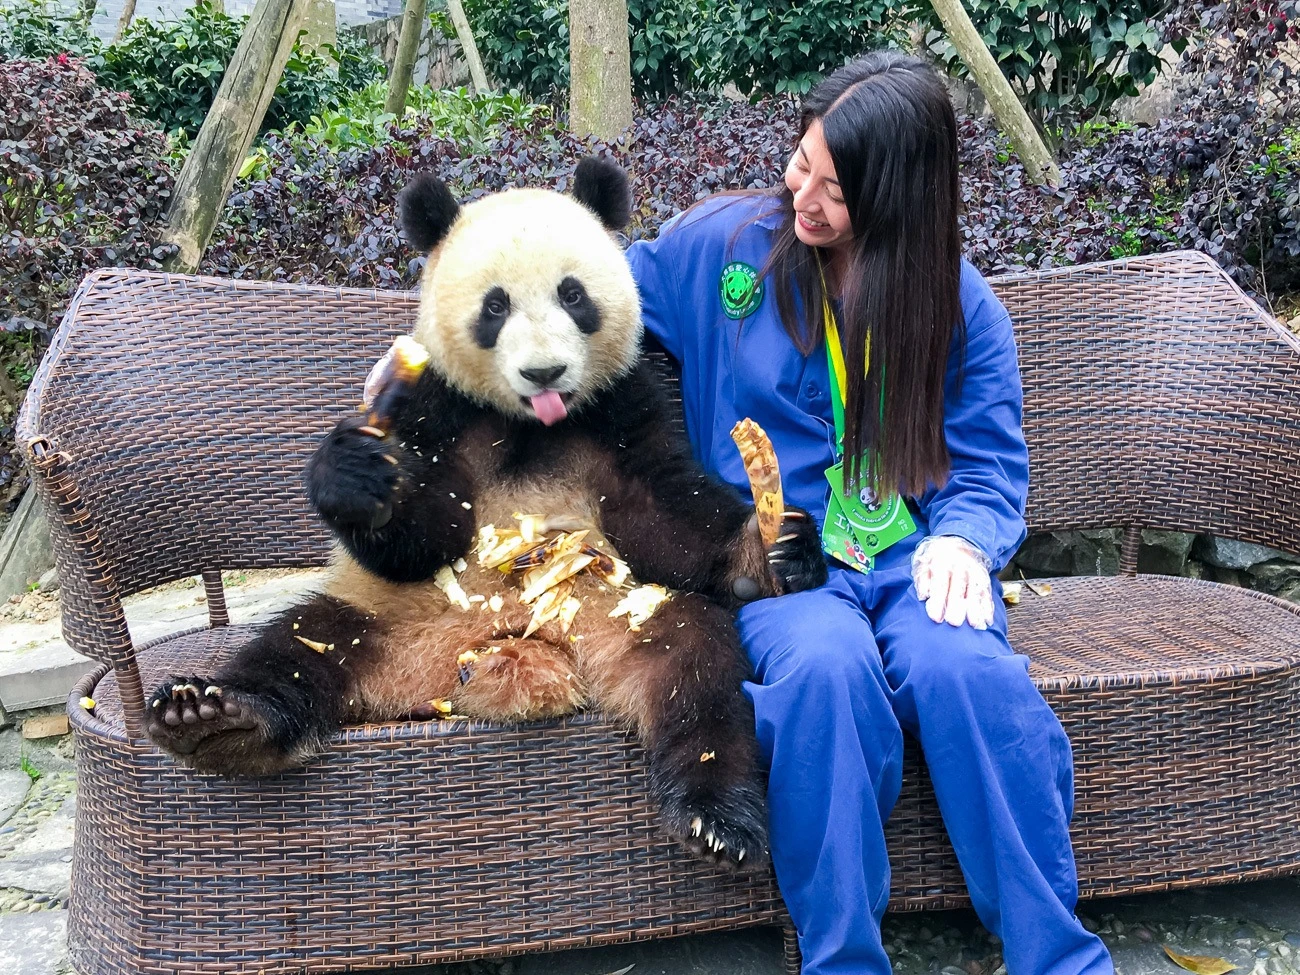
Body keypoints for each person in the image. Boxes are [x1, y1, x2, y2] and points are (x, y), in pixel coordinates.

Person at [624, 51, 1114, 975]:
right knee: (823, 674)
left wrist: (965, 538)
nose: (801, 196)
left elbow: (987, 462)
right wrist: (433, 356)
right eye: (800, 162)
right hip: (780, 566)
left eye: (836, 190)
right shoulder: (722, 244)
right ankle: (843, 960)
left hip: (909, 556)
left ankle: (1058, 957)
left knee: (969, 671)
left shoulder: (957, 304)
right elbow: (580, 294)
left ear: (898, 198)